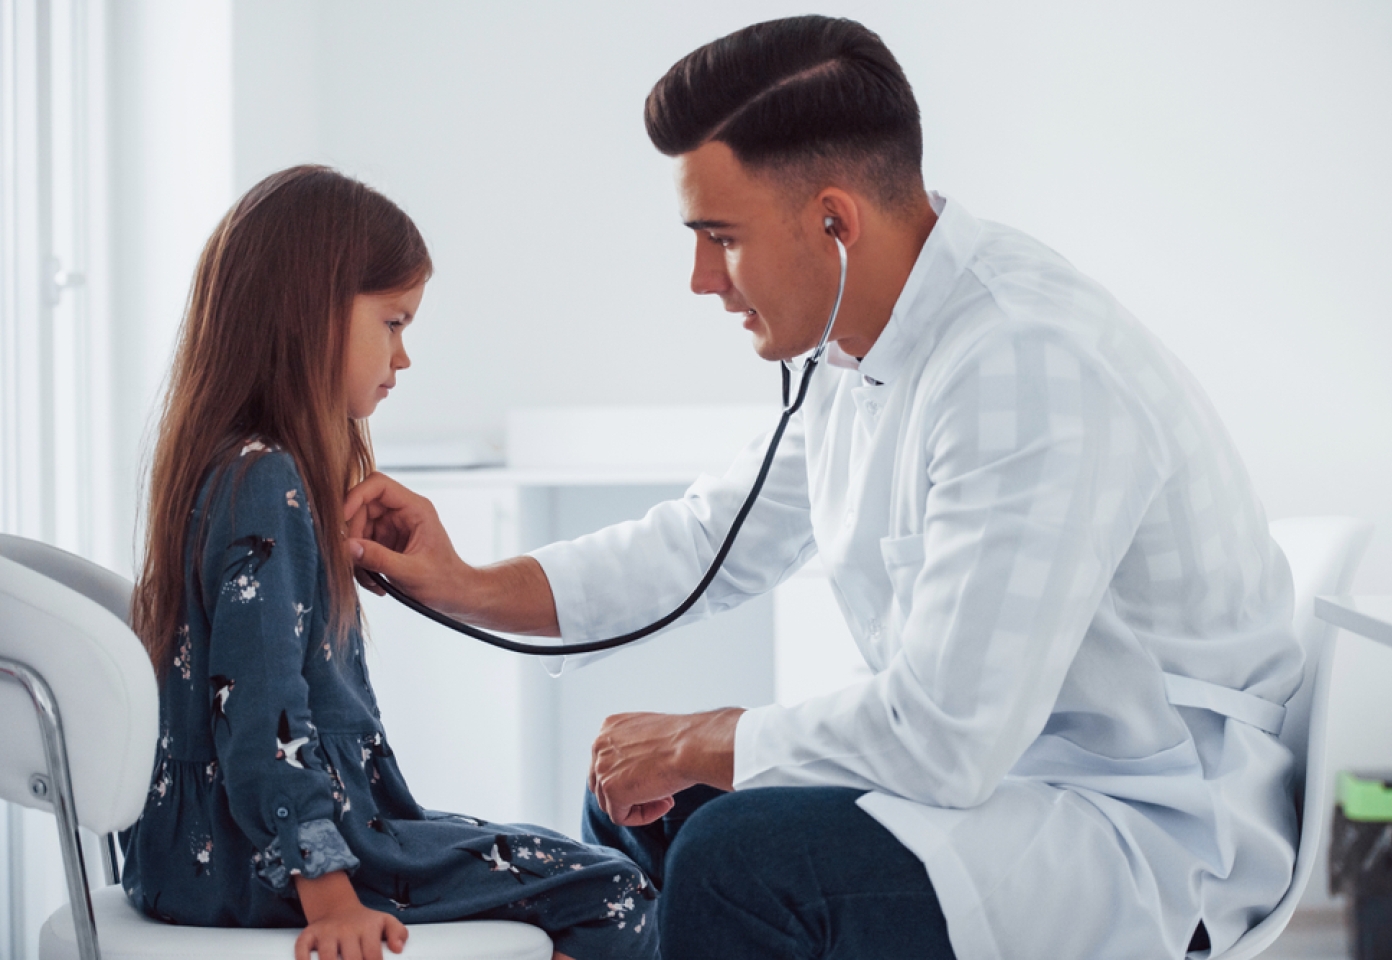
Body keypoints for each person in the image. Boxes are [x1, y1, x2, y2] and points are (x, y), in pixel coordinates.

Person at [345, 16, 1303, 960]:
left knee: (734, 855)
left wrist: (699, 736)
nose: (698, 280)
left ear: (834, 222)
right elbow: (702, 545)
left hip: (1132, 828)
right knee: (640, 801)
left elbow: (945, 738)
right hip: (1005, 786)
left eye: (719, 237)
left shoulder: (1025, 366)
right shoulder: (868, 351)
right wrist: (465, 581)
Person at [122, 166, 659, 960]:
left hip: (210, 857)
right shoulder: (265, 479)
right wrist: (329, 892)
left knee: (568, 867)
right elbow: (263, 715)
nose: (402, 357)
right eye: (394, 322)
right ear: (308, 314)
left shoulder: (235, 469)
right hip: (256, 866)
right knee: (613, 892)